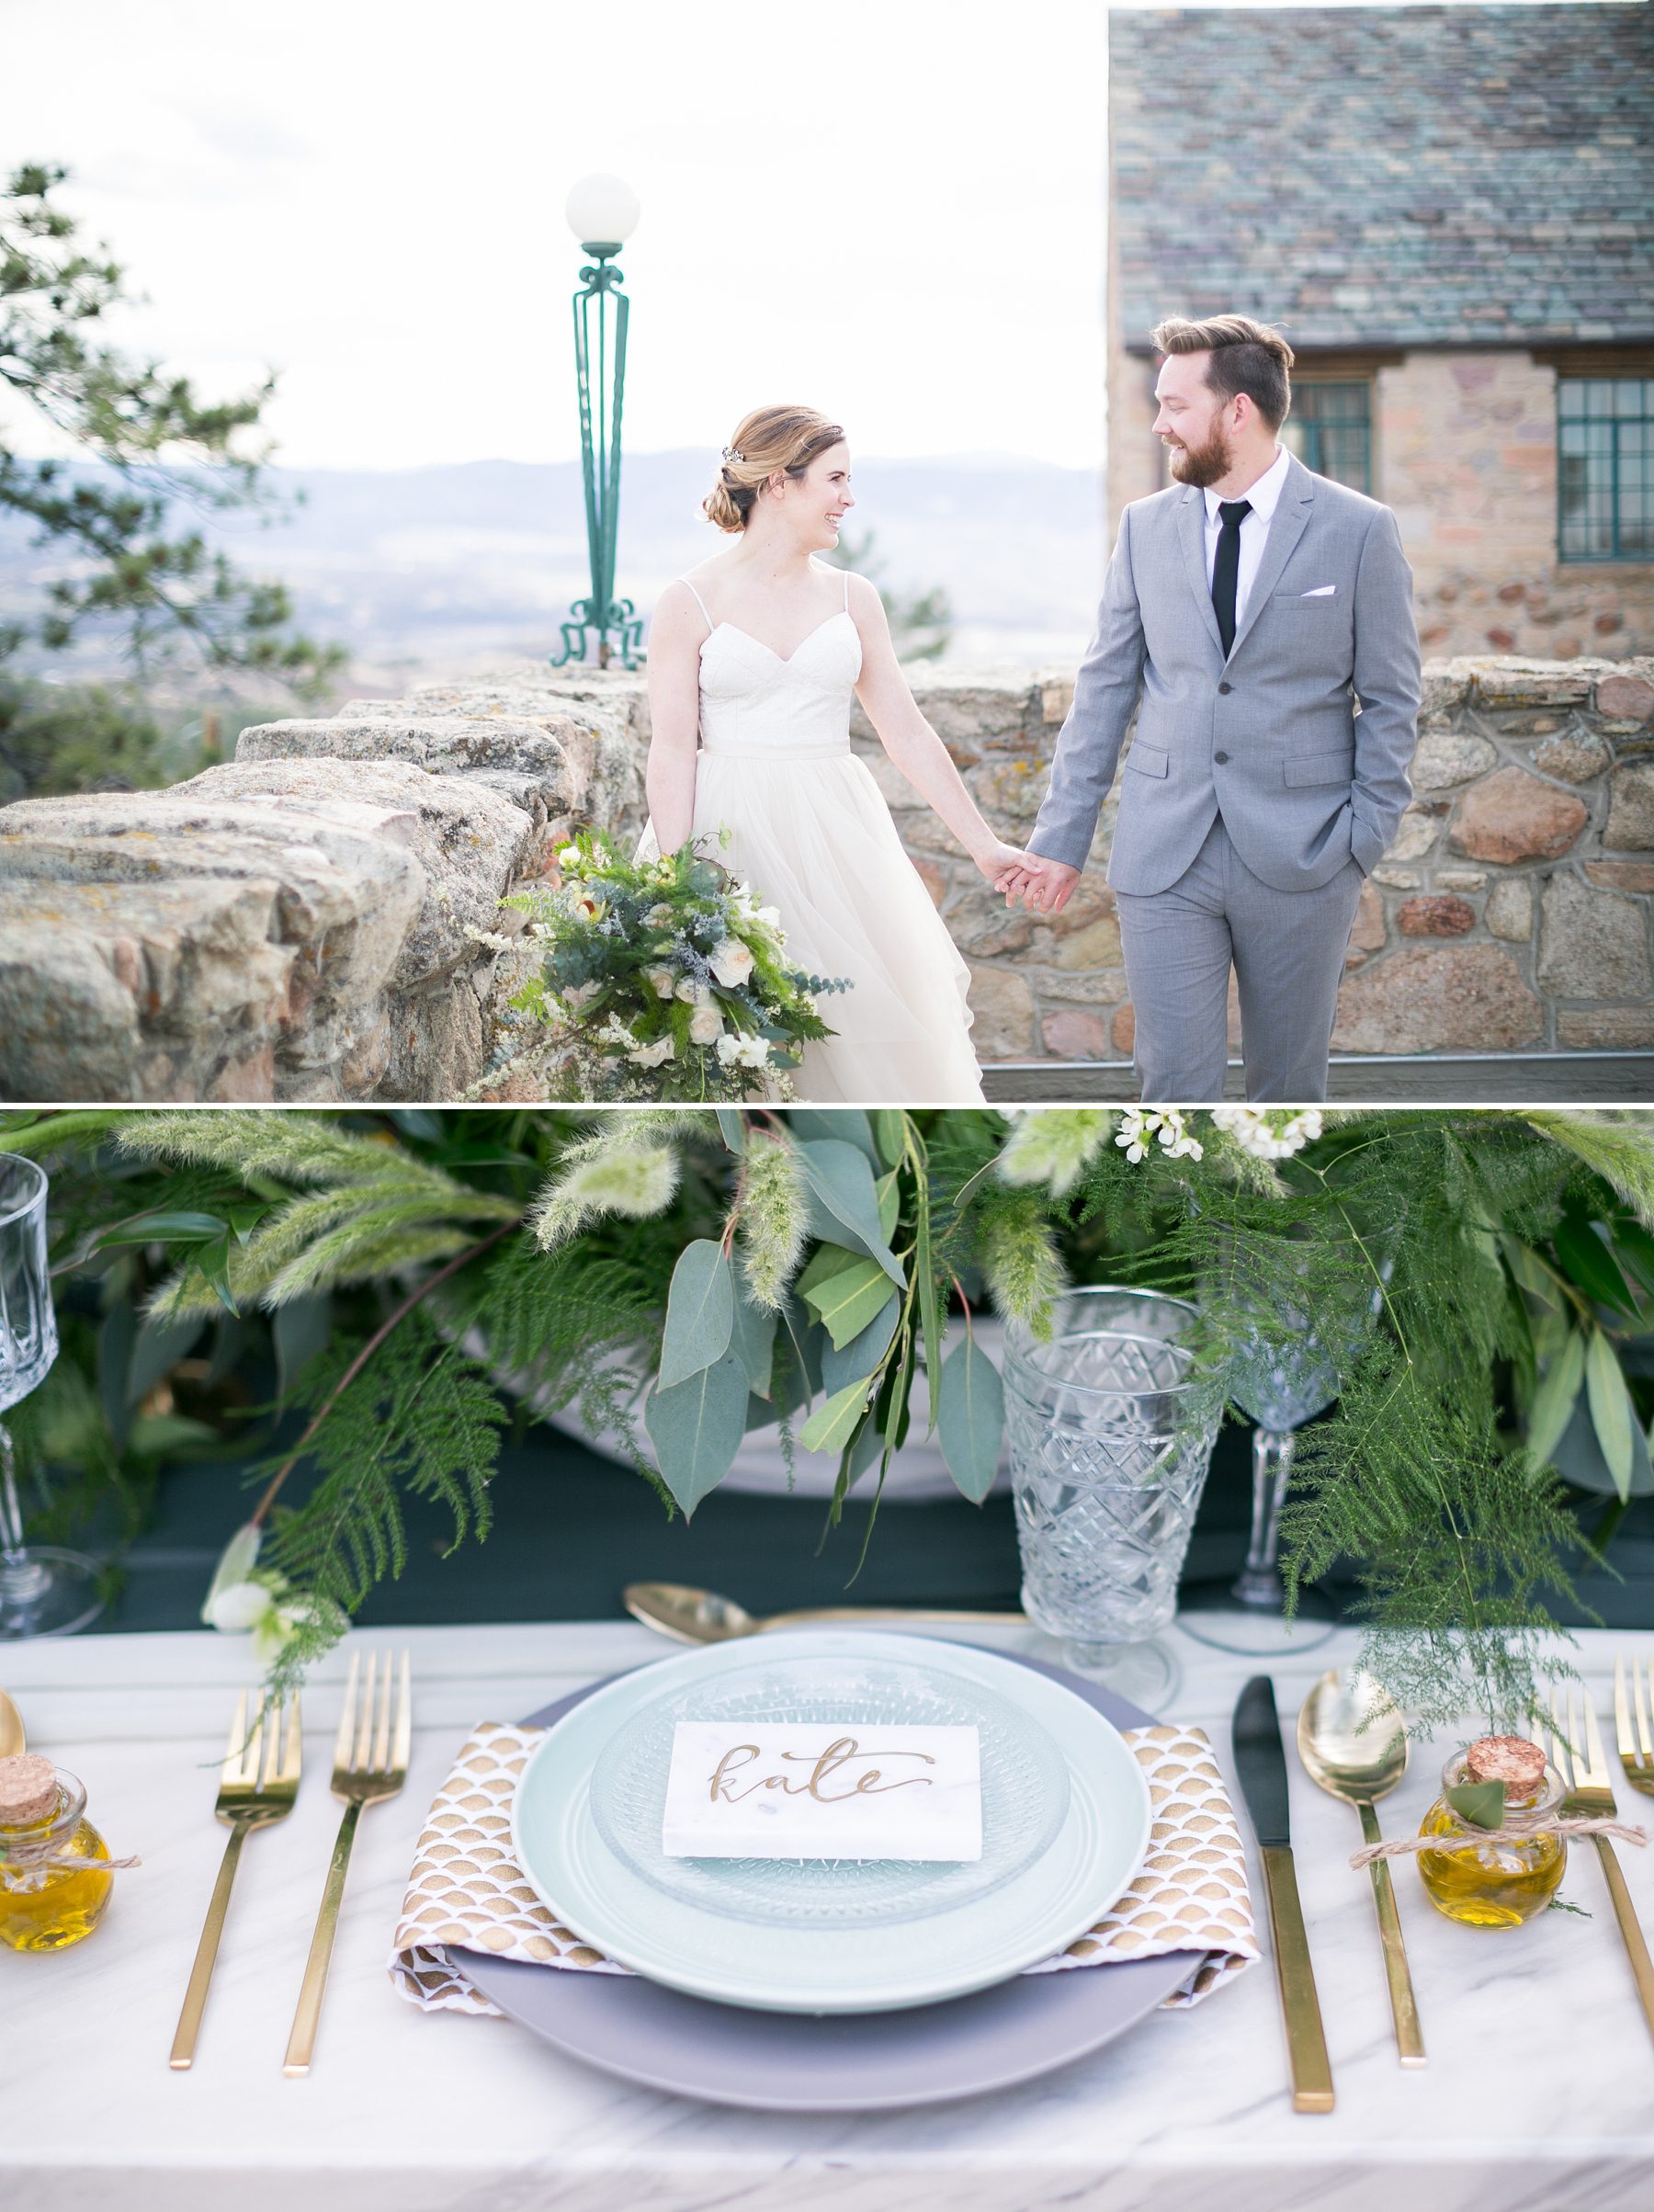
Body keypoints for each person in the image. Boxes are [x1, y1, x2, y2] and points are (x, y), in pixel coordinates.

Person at [998, 314, 1421, 1102]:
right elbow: (1105, 688)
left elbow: (1393, 698)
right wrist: (1061, 840)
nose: (1159, 423)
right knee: (1172, 1088)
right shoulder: (1145, 526)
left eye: (1175, 405)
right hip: (1165, 852)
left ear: (1238, 411)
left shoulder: (1359, 530)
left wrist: (1363, 837)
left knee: (1287, 1089)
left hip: (1307, 855)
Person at [642, 403, 1022, 1105]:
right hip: (730, 835)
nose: (849, 499)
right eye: (836, 479)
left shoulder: (854, 597)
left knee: (860, 1030)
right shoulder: (688, 600)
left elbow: (906, 732)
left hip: (838, 832)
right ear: (779, 484)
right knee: (737, 1035)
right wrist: (673, 882)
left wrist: (985, 845)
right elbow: (671, 749)